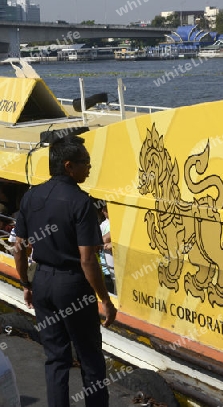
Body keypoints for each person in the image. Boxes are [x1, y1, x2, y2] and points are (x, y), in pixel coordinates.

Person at [13, 135, 117, 407]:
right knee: (90, 358)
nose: (90, 167)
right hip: (73, 285)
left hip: (43, 280)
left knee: (56, 358)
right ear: (69, 166)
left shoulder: (30, 196)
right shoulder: (82, 202)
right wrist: (105, 300)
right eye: (86, 163)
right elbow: (87, 260)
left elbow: (18, 248)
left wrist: (26, 283)